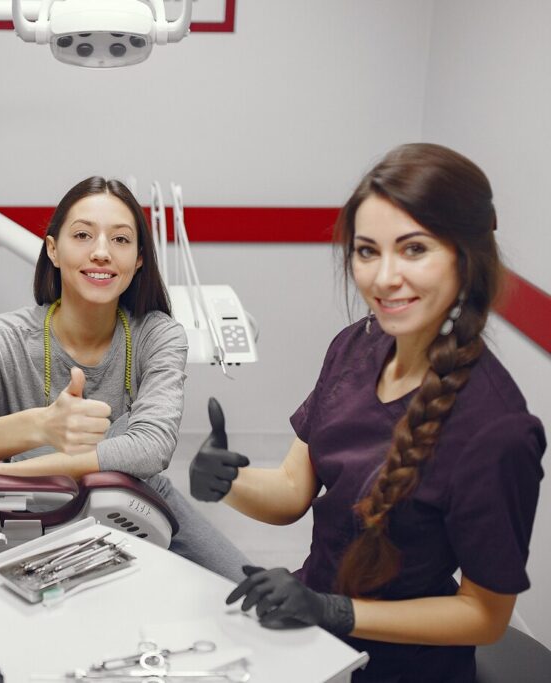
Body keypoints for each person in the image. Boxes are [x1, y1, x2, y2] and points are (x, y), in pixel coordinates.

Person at [190, 143, 546, 682]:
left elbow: (484, 615)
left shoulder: (496, 430)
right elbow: (292, 491)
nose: (383, 278)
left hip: (404, 667)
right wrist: (227, 482)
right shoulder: (356, 346)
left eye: (414, 249)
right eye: (366, 251)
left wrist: (334, 610)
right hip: (309, 629)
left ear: (465, 255)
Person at [0, 176, 249, 581]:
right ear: (53, 249)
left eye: (121, 240)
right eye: (83, 235)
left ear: (140, 258)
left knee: (248, 591)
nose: (102, 252)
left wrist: (8, 473)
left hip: (134, 501)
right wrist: (39, 426)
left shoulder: (158, 335)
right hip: (24, 511)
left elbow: (150, 449)